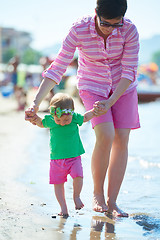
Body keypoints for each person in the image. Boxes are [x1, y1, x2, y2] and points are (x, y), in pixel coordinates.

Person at [25, 0, 140, 217]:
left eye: (116, 25)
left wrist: (112, 100)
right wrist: (35, 102)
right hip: (92, 85)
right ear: (96, 12)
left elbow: (129, 70)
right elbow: (58, 66)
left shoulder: (130, 30)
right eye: (106, 23)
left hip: (124, 88)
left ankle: (112, 201)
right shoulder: (78, 29)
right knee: (105, 135)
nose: (110, 29)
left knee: (121, 138)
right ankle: (97, 193)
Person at [31, 93, 98, 217]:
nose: (62, 123)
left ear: (72, 112)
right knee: (58, 183)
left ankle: (76, 197)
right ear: (53, 115)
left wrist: (94, 111)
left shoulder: (74, 117)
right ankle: (63, 208)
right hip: (56, 159)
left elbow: (85, 117)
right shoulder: (51, 120)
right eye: (58, 120)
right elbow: (40, 123)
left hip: (74, 157)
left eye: (66, 120)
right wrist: (34, 118)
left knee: (78, 176)